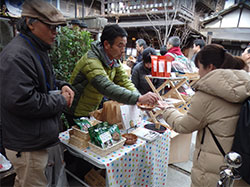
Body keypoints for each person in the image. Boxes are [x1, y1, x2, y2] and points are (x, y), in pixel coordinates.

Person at [0, 1, 75, 186]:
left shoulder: (35, 48)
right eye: (50, 27)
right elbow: (23, 101)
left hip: (32, 140)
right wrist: (61, 100)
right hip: (27, 145)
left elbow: (43, 83)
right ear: (30, 22)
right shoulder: (17, 55)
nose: (55, 32)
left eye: (56, 28)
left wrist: (62, 85)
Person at [158, 44, 250, 187]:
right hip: (240, 170)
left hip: (213, 173)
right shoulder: (245, 85)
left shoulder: (207, 94)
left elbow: (183, 125)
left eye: (199, 67)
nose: (198, 72)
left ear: (210, 67)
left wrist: (166, 109)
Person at [67, 24, 158, 119]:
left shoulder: (114, 60)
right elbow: (105, 86)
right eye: (120, 46)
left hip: (93, 109)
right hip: (76, 111)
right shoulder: (91, 61)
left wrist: (139, 99)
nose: (123, 50)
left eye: (124, 46)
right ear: (106, 44)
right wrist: (138, 98)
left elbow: (124, 81)